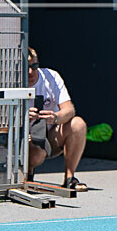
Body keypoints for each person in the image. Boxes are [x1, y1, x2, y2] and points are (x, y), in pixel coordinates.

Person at [27, 47, 88, 191]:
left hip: (50, 135)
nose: (30, 72)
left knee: (78, 124)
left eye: (34, 66)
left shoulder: (50, 76)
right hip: (25, 139)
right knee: (37, 153)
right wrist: (23, 117)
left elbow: (69, 110)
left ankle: (69, 178)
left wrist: (55, 117)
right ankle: (27, 175)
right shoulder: (11, 81)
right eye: (26, 67)